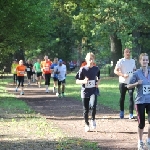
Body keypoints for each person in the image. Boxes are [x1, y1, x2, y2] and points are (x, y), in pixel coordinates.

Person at [127, 53, 150, 150]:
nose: (145, 61)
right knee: (142, 124)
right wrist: (137, 83)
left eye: (146, 60)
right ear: (140, 61)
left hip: (149, 100)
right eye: (143, 60)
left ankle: (148, 140)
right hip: (140, 101)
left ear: (148, 61)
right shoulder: (136, 73)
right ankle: (140, 142)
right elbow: (128, 86)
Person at [75, 52, 100, 132]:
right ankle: (86, 124)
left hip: (93, 90)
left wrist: (97, 84)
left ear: (94, 59)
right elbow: (77, 81)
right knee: (86, 109)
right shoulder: (82, 69)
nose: (90, 60)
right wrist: (83, 81)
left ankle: (93, 119)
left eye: (92, 58)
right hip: (85, 91)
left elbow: (99, 78)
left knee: (93, 106)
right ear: (86, 60)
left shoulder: (96, 69)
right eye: (89, 59)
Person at [114, 48, 136, 119]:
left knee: (131, 97)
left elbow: (134, 70)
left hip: (131, 82)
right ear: (124, 53)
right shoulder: (121, 61)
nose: (128, 53)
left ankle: (131, 114)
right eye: (126, 52)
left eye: (129, 52)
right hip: (123, 82)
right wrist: (123, 75)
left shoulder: (133, 61)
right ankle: (122, 112)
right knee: (122, 97)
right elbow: (115, 71)